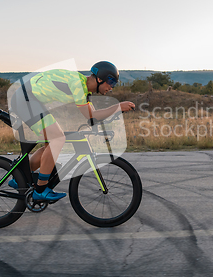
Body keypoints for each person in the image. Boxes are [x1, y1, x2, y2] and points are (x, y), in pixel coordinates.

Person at [8, 61, 135, 202]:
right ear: (100, 79)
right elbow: (91, 115)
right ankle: (40, 190)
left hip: (28, 99)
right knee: (58, 138)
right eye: (111, 82)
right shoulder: (78, 85)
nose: (111, 88)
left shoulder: (83, 87)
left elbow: (92, 116)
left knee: (50, 145)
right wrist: (117, 107)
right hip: (26, 100)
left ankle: (20, 178)